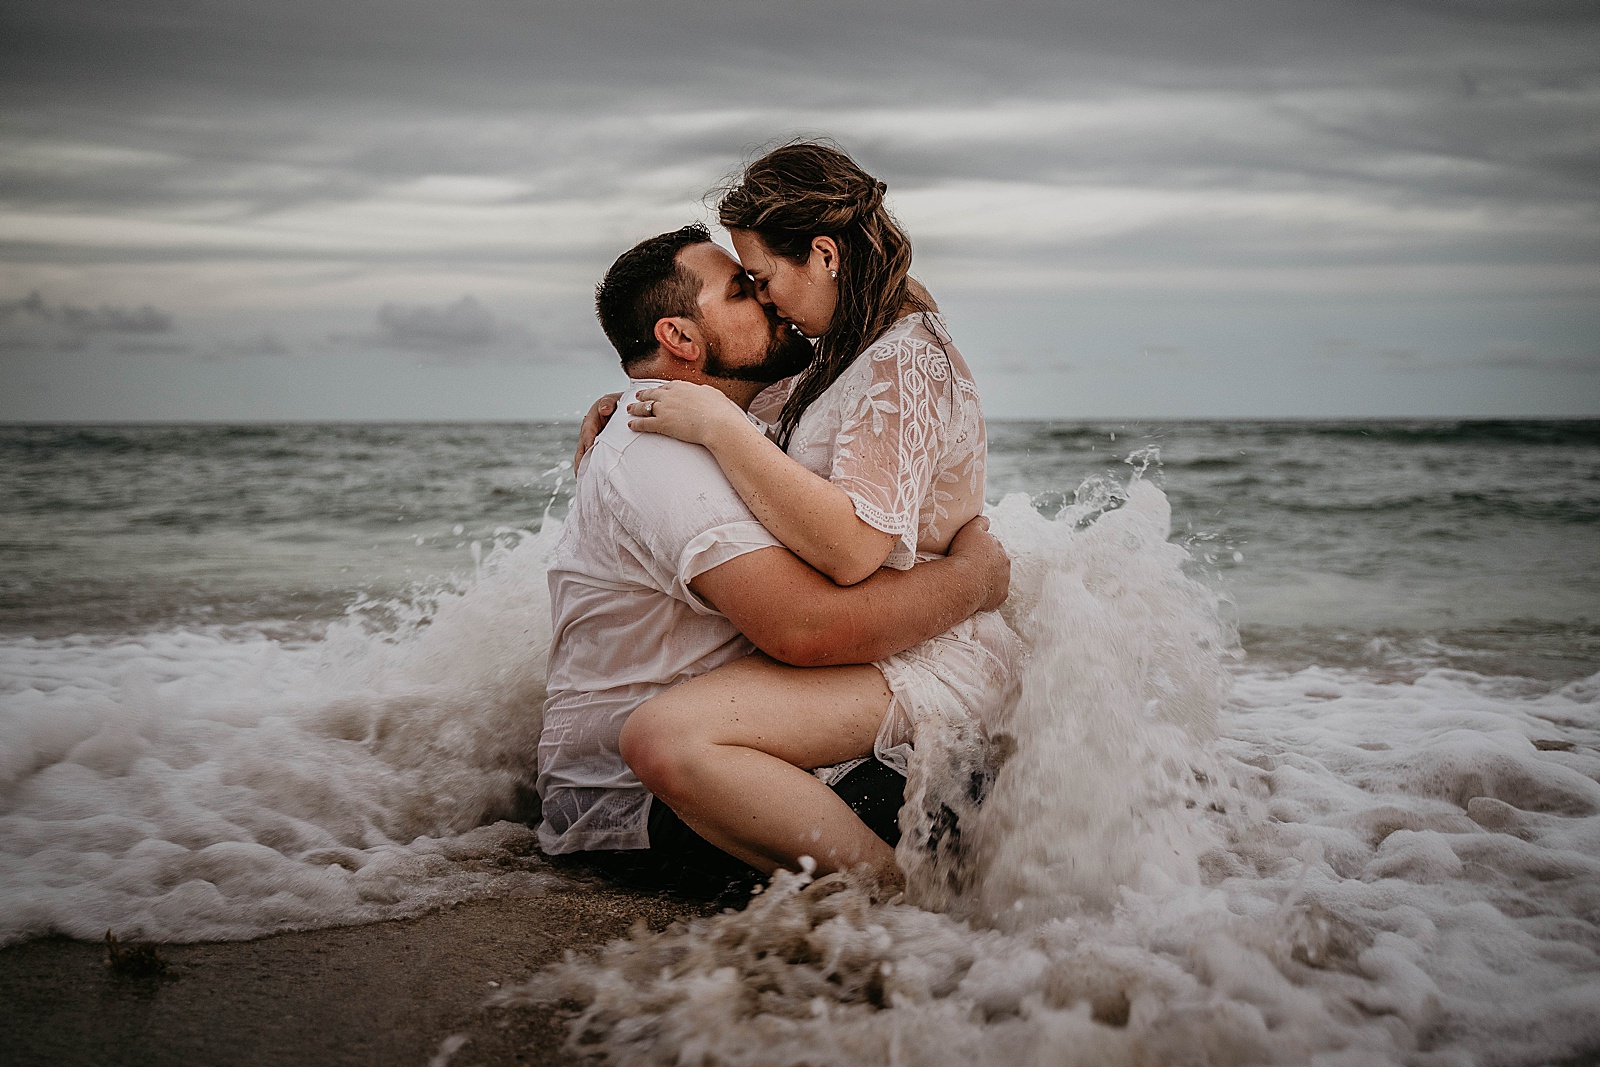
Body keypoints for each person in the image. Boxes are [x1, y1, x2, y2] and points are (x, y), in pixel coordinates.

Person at [598, 142, 1023, 899]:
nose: (763, 300)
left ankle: (896, 895)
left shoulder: (906, 357)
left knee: (670, 738)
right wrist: (627, 400)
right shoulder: (845, 341)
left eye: (761, 278)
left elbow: (857, 546)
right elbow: (735, 378)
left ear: (823, 254)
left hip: (922, 644)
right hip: (873, 641)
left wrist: (715, 428)